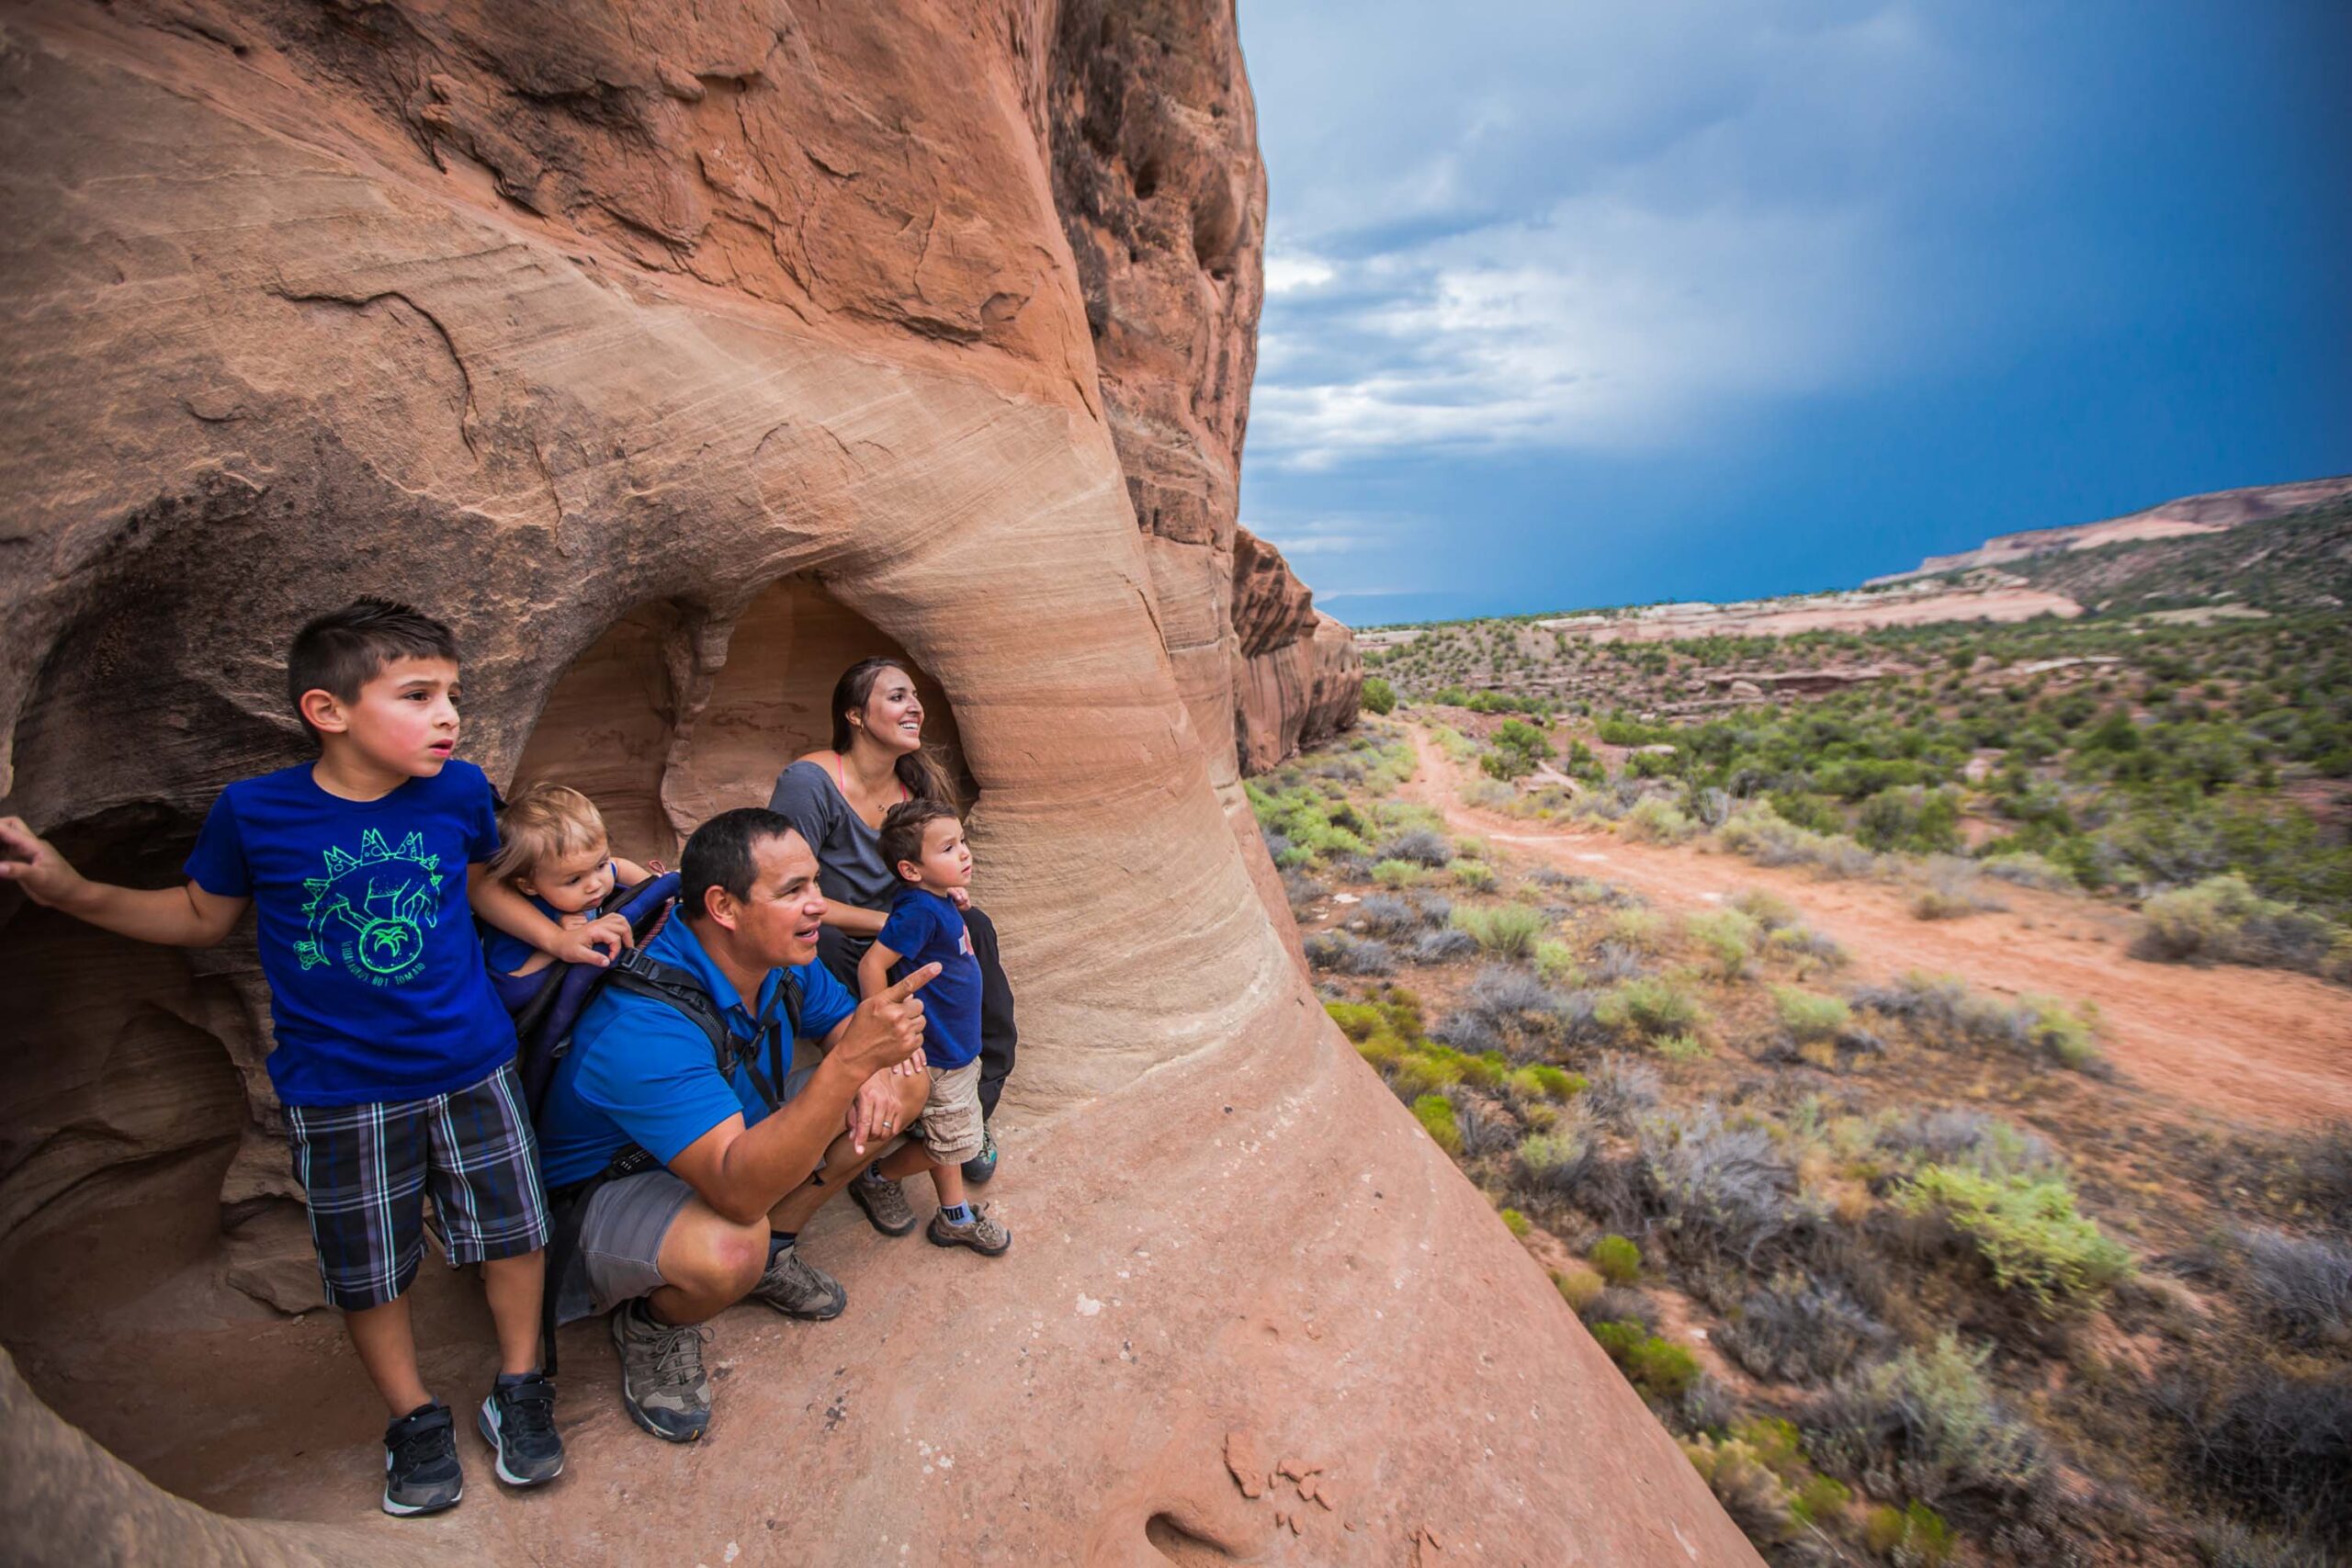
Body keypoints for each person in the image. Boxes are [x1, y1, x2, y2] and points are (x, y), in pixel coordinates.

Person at [0, 599, 625, 1517]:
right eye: (418, 695)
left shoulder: (458, 793)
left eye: (452, 694)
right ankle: (412, 1416)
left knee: (515, 1232)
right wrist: (74, 891)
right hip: (340, 1089)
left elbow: (480, 880)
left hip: (470, 1064)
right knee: (367, 1266)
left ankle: (521, 1385)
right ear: (327, 711)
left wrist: (557, 936)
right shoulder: (256, 814)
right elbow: (198, 917)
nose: (449, 714)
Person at [530, 807, 937, 1443]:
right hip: (606, 1195)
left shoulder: (778, 957)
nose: (818, 908)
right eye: (792, 891)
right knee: (729, 1248)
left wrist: (872, 1067)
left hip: (714, 1148)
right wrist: (855, 1063)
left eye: (815, 884)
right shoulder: (643, 1025)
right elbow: (736, 1190)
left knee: (908, 1078)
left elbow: (839, 1026)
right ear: (723, 905)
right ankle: (654, 1323)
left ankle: (776, 1247)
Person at [767, 658, 1017, 1242]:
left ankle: (972, 1110)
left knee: (975, 929)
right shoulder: (812, 783)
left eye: (915, 697)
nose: (915, 707)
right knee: (821, 939)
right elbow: (787, 891)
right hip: (840, 934)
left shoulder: (916, 785)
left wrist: (946, 890)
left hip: (903, 932)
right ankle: (881, 1092)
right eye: (896, 697)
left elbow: (933, 868)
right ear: (855, 715)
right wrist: (890, 923)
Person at [858, 800, 1011, 1255]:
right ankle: (877, 1176)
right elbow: (872, 964)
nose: (964, 853)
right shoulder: (919, 913)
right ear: (911, 869)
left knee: (947, 1139)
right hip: (940, 1053)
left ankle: (954, 1215)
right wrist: (885, 1028)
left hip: (956, 1047)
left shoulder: (932, 902)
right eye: (948, 848)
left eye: (961, 842)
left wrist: (950, 895)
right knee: (950, 1143)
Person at [480, 782, 657, 1006]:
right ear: (529, 886)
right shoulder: (516, 920)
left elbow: (618, 866)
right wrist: (557, 944)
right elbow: (511, 984)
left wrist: (655, 886)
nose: (595, 885)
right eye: (574, 880)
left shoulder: (583, 876)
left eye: (600, 865)